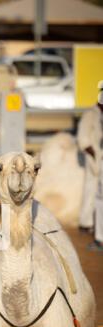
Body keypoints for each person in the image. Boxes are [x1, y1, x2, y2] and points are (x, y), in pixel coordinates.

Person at [77, 85, 103, 235]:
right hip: (94, 157)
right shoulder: (90, 115)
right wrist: (94, 155)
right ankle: (86, 222)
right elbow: (83, 138)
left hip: (100, 156)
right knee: (91, 189)